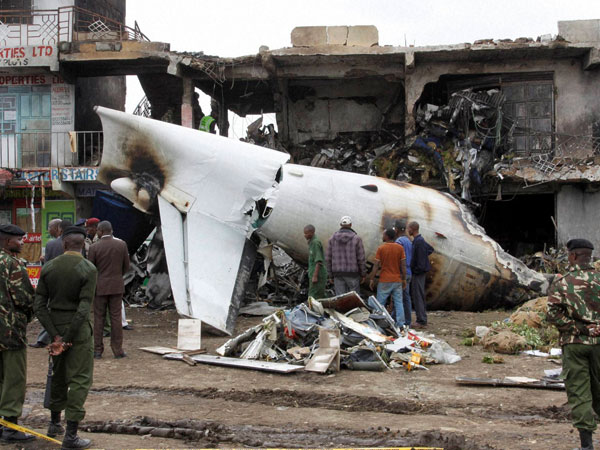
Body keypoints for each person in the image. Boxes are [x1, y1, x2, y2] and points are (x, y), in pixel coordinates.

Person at [34, 226, 96, 449]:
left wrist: (55, 336)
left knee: (57, 375)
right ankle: (71, 436)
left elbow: (39, 306)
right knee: (80, 378)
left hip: (55, 327)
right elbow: (83, 309)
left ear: (64, 244)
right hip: (77, 332)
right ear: (82, 245)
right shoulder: (88, 269)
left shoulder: (49, 267)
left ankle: (53, 423)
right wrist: (68, 338)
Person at [547, 238, 600, 450]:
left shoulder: (562, 283)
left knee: (580, 392)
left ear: (573, 256)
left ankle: (587, 445)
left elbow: (553, 314)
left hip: (575, 344)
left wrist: (579, 328)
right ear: (591, 256)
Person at [0, 224, 35, 443]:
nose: (21, 243)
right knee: (14, 378)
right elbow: (24, 298)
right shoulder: (12, 264)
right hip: (10, 330)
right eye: (18, 240)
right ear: (6, 241)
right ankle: (11, 426)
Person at [87, 221, 129, 359]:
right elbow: (126, 267)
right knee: (116, 318)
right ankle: (118, 350)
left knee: (99, 318)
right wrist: (117, 276)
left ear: (100, 231)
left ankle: (97, 350)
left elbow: (91, 269)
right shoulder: (121, 245)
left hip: (100, 287)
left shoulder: (94, 247)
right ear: (111, 230)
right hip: (117, 286)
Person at [31, 219, 72, 349]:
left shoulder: (51, 244)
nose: (48, 230)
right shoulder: (73, 243)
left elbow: (47, 266)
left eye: (49, 227)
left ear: (58, 229)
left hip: (52, 283)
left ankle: (45, 338)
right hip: (70, 282)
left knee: (48, 309)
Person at [368, 228, 407, 327]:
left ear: (387, 236)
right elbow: (403, 265)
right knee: (399, 303)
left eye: (384, 234)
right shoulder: (400, 248)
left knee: (380, 303)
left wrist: (372, 279)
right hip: (397, 280)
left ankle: (377, 324)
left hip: (384, 280)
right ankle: (401, 324)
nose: (382, 236)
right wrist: (404, 279)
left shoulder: (381, 248)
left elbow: (376, 265)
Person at [326, 216, 366, 296]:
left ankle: (342, 309)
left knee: (341, 298)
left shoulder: (332, 239)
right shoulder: (356, 239)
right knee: (354, 298)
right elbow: (361, 259)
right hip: (353, 274)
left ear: (340, 224)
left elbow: (328, 259)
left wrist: (330, 275)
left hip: (338, 274)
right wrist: (363, 274)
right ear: (351, 225)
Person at [408, 221, 433, 329]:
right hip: (419, 273)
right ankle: (421, 319)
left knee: (418, 296)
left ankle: (421, 321)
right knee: (418, 295)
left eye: (408, 228)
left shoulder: (419, 242)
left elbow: (421, 260)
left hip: (418, 274)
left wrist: (416, 269)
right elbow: (430, 249)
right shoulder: (419, 241)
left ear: (412, 229)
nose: (407, 230)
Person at [394, 220, 413, 327]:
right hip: (409, 272)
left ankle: (399, 321)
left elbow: (398, 259)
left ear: (396, 229)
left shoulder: (399, 242)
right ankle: (408, 321)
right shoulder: (409, 242)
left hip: (402, 273)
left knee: (398, 298)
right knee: (406, 298)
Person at [303, 224, 327, 299]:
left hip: (318, 274)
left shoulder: (315, 243)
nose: (305, 235)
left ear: (312, 233)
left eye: (306, 233)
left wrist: (315, 276)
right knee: (314, 294)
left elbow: (319, 261)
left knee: (315, 295)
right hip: (313, 272)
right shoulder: (312, 242)